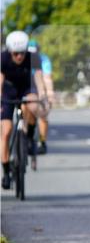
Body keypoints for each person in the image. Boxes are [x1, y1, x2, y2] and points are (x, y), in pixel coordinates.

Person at [1, 31, 48, 189]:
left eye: (22, 52)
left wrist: (42, 95)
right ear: (9, 51)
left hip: (26, 89)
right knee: (6, 131)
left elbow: (39, 78)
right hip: (8, 91)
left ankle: (28, 137)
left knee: (32, 105)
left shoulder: (33, 57)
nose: (19, 57)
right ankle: (6, 172)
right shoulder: (3, 59)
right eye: (16, 53)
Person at [27, 39, 54, 154]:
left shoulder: (43, 59)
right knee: (27, 112)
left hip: (39, 88)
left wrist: (49, 94)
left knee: (43, 115)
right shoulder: (22, 58)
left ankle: (42, 141)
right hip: (25, 88)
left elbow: (47, 78)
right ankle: (27, 135)